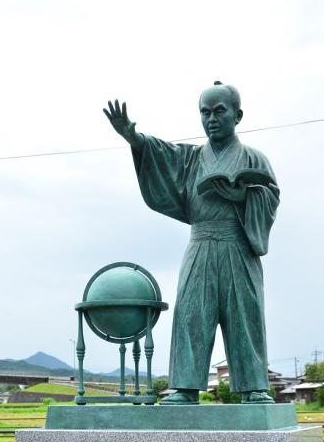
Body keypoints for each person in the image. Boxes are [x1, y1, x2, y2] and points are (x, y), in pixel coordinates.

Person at [104, 82, 280, 404]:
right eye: (205, 112)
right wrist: (134, 138)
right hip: (199, 244)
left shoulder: (254, 159)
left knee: (245, 316)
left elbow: (269, 198)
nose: (211, 118)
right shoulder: (191, 158)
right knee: (190, 315)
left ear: (237, 115)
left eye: (219, 111)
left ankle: (253, 386)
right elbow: (160, 154)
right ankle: (185, 386)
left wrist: (244, 196)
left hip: (238, 246)